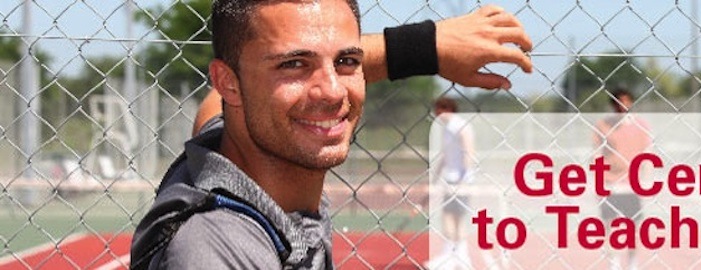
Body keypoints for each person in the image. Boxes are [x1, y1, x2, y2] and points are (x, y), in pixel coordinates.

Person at [130, 0, 533, 269]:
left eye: (346, 60)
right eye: (293, 64)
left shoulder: (226, 148)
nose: (333, 91)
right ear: (230, 82)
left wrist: (421, 47)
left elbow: (214, 102)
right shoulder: (215, 248)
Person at [593, 89, 651, 270]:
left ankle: (632, 263)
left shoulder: (640, 125)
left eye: (626, 101)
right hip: (610, 183)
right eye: (618, 101)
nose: (622, 105)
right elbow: (597, 154)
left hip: (631, 184)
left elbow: (647, 153)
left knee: (633, 226)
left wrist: (646, 180)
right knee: (610, 225)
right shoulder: (603, 125)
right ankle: (614, 263)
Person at [427, 97, 476, 269]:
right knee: (448, 217)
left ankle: (462, 258)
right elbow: (444, 155)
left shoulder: (460, 126)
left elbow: (468, 152)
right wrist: (435, 178)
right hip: (450, 179)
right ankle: (450, 256)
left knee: (458, 219)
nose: (436, 114)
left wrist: (464, 180)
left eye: (438, 110)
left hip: (461, 181)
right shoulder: (446, 128)